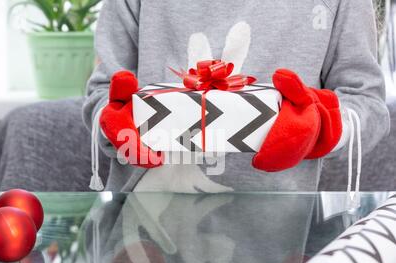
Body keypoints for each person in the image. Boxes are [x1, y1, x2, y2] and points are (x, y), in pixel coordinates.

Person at [83, 0, 389, 194]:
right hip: (140, 237)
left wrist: (324, 126)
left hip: (274, 240)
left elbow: (366, 102)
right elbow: (101, 92)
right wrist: (113, 119)